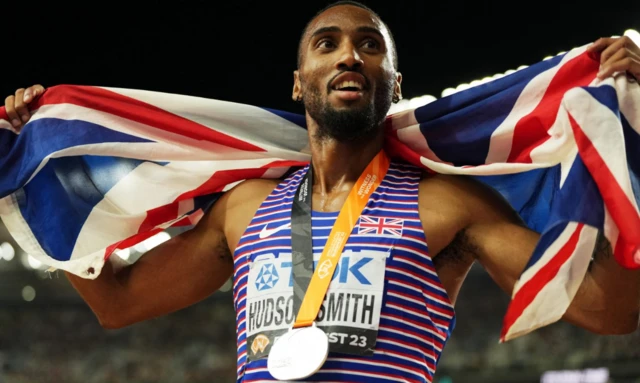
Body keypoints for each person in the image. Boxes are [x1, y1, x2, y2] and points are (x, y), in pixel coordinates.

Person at [4, 1, 640, 382]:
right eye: (326, 43)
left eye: (370, 46)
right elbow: (117, 303)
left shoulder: (444, 204)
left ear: (394, 84)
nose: (349, 57)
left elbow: (610, 312)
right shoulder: (245, 208)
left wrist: (631, 138)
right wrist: (37, 174)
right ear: (296, 82)